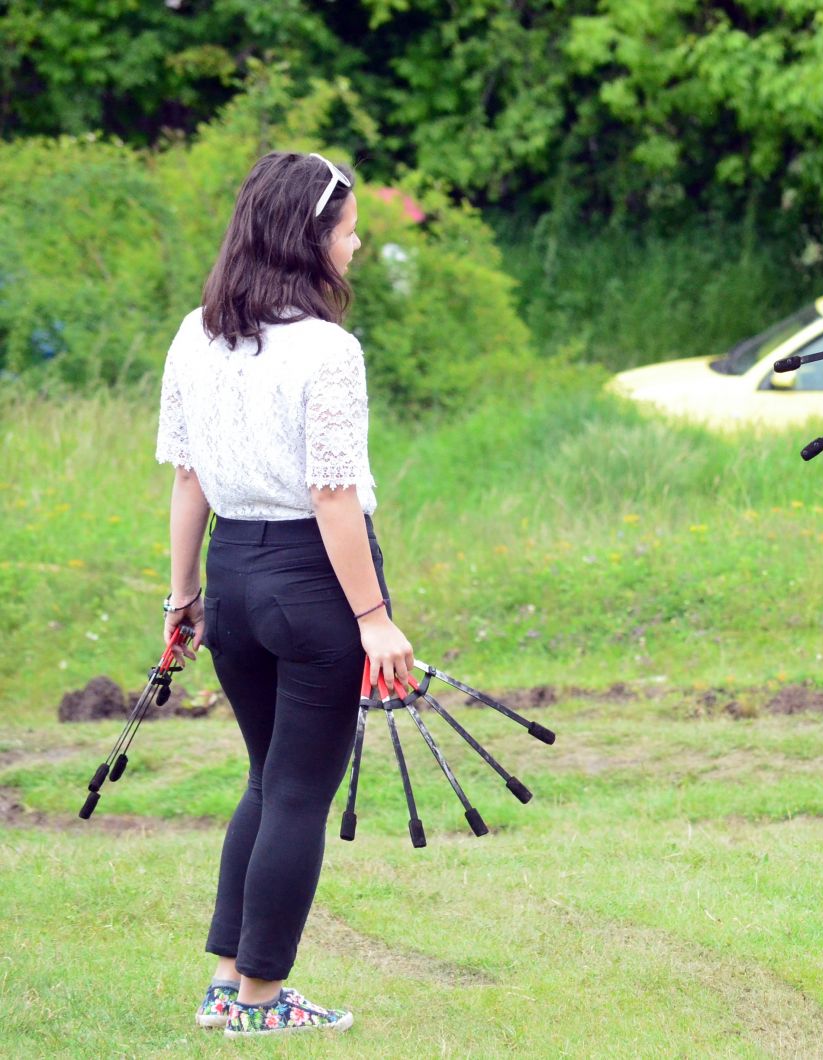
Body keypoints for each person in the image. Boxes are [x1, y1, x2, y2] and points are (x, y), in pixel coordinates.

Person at [158, 151, 413, 1038]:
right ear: (310, 238)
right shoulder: (327, 350)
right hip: (311, 586)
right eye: (348, 231)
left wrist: (181, 597)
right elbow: (333, 495)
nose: (357, 243)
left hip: (230, 577)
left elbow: (189, 479)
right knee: (299, 789)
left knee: (268, 780)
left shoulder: (197, 332)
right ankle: (261, 1002)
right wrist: (375, 619)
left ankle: (227, 983)